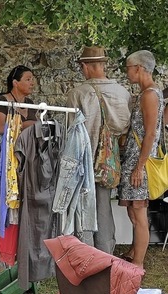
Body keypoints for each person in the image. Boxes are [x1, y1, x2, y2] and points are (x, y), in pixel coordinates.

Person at [66, 46, 131, 254]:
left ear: (85, 66)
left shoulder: (78, 94)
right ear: (104, 65)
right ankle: (106, 252)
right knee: (104, 208)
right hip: (109, 162)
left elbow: (70, 129)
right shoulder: (123, 93)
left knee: (84, 209)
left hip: (83, 161)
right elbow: (124, 128)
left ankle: (88, 254)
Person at [118, 50, 164, 267]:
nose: (127, 72)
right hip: (134, 160)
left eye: (128, 67)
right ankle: (134, 252)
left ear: (139, 68)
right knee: (133, 210)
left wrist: (139, 167)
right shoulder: (147, 93)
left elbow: (151, 134)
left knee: (139, 214)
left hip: (139, 162)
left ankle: (138, 263)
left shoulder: (149, 95)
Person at [0, 65, 38, 133]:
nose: (32, 83)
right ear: (15, 83)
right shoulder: (1, 101)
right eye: (28, 79)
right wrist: (24, 125)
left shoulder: (30, 103)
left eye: (32, 79)